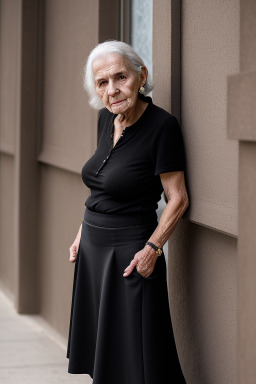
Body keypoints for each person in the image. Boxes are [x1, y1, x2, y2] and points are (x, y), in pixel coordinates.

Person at [66, 40, 189, 384]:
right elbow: (102, 185)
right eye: (102, 83)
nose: (113, 89)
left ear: (141, 75)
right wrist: (81, 232)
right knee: (106, 351)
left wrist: (153, 249)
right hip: (94, 249)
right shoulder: (107, 119)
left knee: (141, 353)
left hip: (131, 252)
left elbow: (177, 198)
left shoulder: (162, 126)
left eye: (120, 77)